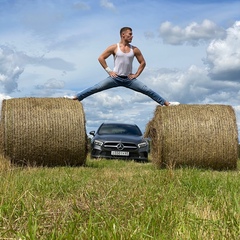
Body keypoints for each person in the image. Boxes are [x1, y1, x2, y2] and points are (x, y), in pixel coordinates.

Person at [72, 27, 179, 106]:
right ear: (123, 35)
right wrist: (109, 71)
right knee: (96, 87)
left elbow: (143, 63)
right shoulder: (114, 47)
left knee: (147, 90)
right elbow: (101, 58)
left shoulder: (135, 49)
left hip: (129, 79)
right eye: (130, 34)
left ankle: (167, 104)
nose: (132, 36)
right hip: (115, 78)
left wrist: (136, 74)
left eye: (132, 34)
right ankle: (76, 98)